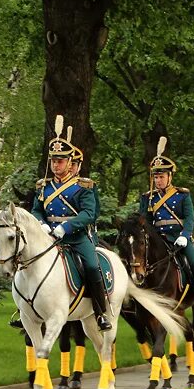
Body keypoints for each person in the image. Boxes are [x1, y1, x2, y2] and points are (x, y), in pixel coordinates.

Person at [31, 115, 112, 330]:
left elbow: (89, 213)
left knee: (92, 266)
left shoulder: (83, 186)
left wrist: (65, 227)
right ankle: (26, 310)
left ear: (69, 163)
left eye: (60, 161)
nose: (56, 165)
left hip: (76, 237)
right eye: (53, 161)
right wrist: (42, 224)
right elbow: (36, 210)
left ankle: (100, 311)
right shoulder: (43, 187)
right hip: (48, 237)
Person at [139, 136, 194, 316]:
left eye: (161, 177)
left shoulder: (182, 195)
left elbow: (190, 218)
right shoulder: (148, 197)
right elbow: (145, 220)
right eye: (156, 177)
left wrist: (185, 236)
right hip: (159, 240)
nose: (158, 180)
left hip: (179, 239)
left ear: (170, 176)